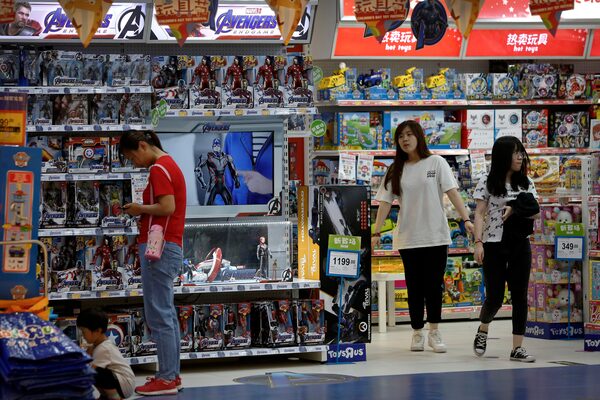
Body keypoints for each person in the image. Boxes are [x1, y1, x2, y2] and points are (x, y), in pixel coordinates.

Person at [371, 120, 474, 353]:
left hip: (436, 235)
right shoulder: (395, 169)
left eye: (409, 134)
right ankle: (417, 332)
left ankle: (434, 332)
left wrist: (466, 219)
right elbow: (385, 203)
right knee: (414, 287)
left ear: (419, 136)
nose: (405, 139)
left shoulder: (436, 162)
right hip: (408, 237)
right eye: (400, 136)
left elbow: (452, 193)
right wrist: (376, 232)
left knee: (434, 286)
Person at [121, 130, 186, 395]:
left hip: (160, 247)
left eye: (132, 156)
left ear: (143, 145)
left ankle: (167, 378)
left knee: (159, 314)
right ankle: (171, 375)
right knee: (165, 313)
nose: (134, 162)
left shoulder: (159, 169)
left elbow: (167, 207)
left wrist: (139, 209)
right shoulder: (170, 164)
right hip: (169, 246)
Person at [472, 136, 539, 362]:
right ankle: (483, 328)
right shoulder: (487, 181)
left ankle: (517, 348)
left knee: (520, 296)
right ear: (503, 156)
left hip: (520, 242)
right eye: (515, 153)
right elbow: (479, 213)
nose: (520, 157)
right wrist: (478, 242)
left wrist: (515, 208)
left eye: (521, 153)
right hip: (493, 243)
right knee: (495, 297)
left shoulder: (527, 182)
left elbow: (536, 211)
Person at [76, 308, 135, 400]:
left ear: (97, 331)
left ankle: (114, 397)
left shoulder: (103, 349)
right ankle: (106, 396)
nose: (82, 335)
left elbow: (89, 369)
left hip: (125, 385)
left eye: (84, 332)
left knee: (94, 372)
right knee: (94, 372)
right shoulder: (97, 345)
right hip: (120, 382)